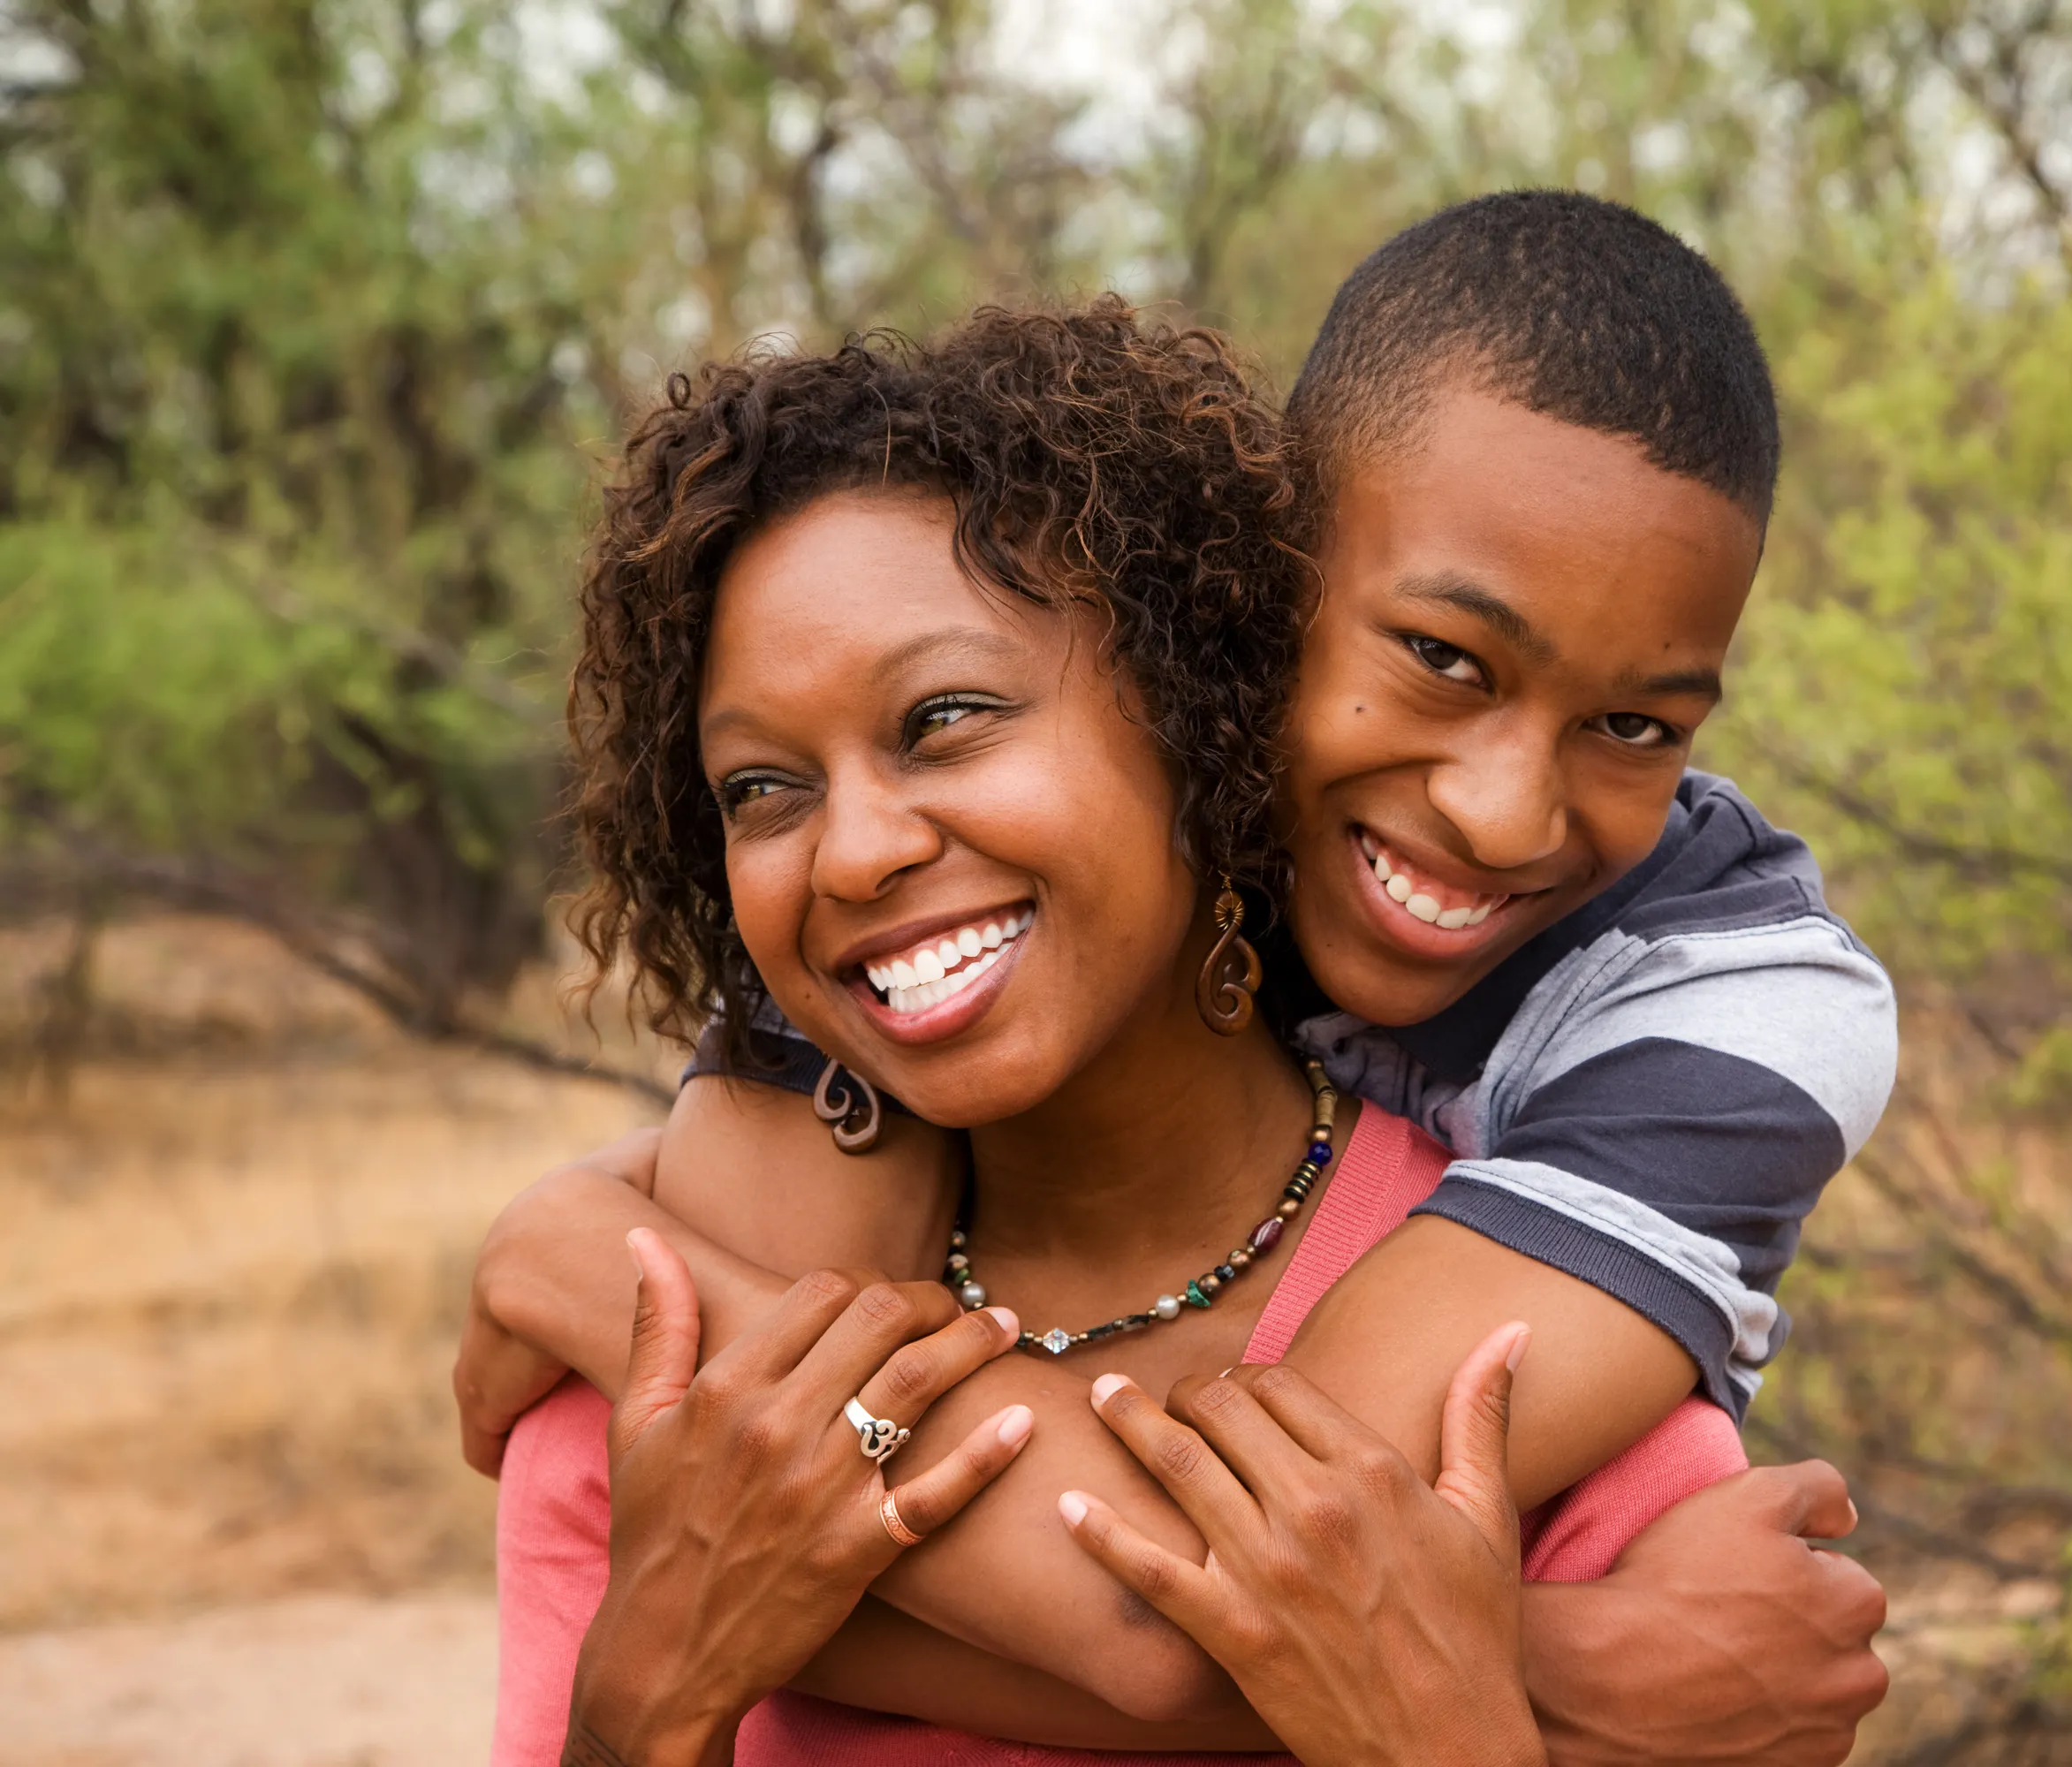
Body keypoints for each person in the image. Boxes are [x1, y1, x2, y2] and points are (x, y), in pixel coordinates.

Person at [470, 191, 1894, 1755]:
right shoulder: (643, 1397)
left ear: (1183, 672)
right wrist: (640, 1694)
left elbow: (1186, 1601)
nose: (1503, 812)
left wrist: (576, 1264)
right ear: (1261, 616)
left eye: (949, 719)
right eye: (764, 789)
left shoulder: (1699, 1096)